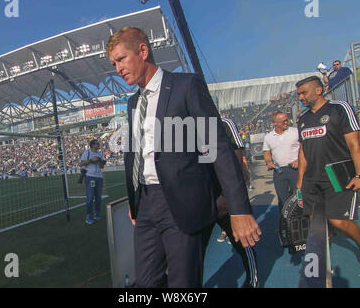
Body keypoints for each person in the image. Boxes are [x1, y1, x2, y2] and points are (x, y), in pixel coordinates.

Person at [107, 26, 261, 287]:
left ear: (142, 51)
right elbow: (135, 156)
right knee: (146, 283)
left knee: (183, 284)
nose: (118, 69)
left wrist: (238, 209)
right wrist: (136, 203)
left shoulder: (186, 86)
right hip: (145, 204)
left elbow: (217, 149)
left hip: (180, 201)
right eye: (114, 63)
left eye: (121, 59)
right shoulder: (134, 103)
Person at [296, 75, 360, 277]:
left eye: (303, 93)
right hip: (311, 180)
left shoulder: (340, 108)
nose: (301, 98)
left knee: (337, 221)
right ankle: (321, 260)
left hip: (337, 177)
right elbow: (303, 151)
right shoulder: (303, 119)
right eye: (298, 94)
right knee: (316, 224)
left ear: (318, 90)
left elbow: (354, 144)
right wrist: (300, 181)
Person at [215, 116, 259, 288]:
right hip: (203, 201)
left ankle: (253, 280)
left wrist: (229, 197)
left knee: (242, 241)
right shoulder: (185, 125)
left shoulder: (225, 123)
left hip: (225, 199)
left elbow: (237, 161)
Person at [263, 111, 299, 213]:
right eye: (283, 121)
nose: (286, 123)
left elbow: (304, 148)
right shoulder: (268, 137)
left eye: (286, 120)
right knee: (282, 199)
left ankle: (300, 224)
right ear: (275, 123)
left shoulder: (295, 132)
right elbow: (266, 153)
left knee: (297, 198)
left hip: (295, 170)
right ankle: (285, 225)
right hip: (279, 172)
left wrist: (299, 160)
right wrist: (269, 162)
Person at [80, 138, 106, 225]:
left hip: (99, 177)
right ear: (92, 145)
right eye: (97, 144)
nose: (98, 145)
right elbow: (81, 164)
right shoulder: (87, 153)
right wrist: (91, 160)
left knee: (98, 197)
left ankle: (96, 214)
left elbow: (101, 167)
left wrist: (101, 162)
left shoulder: (99, 153)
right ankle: (88, 216)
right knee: (90, 197)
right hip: (90, 177)